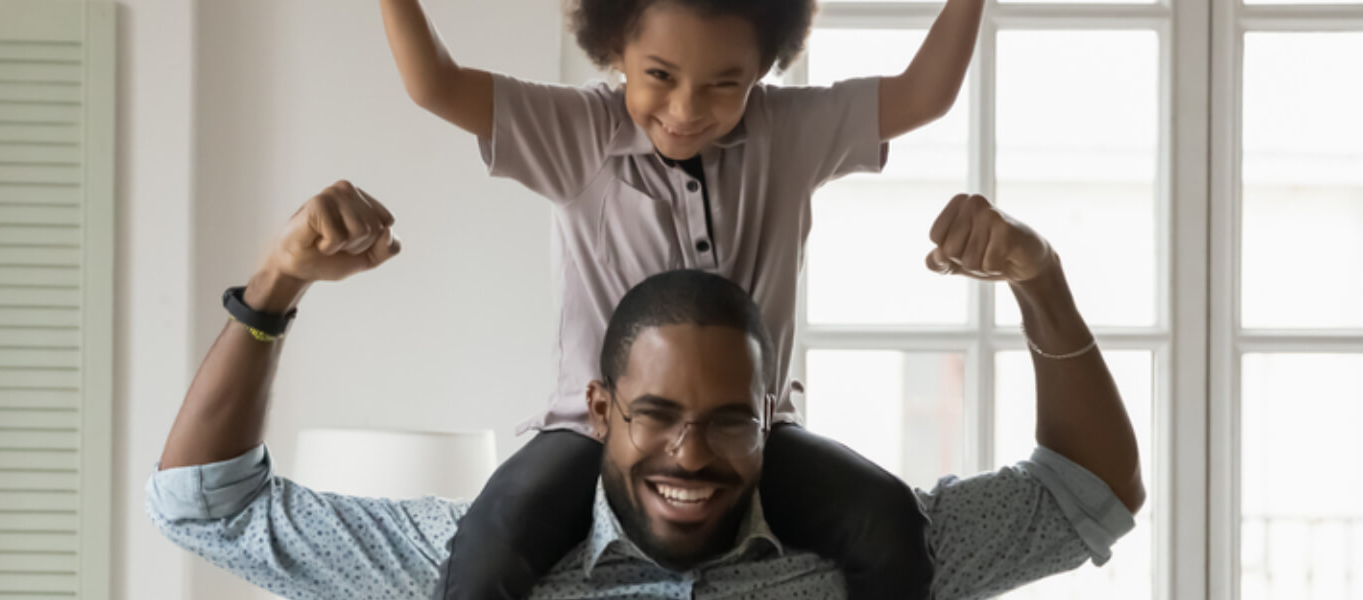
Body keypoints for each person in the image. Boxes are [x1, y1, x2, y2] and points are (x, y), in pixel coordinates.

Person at [147, 181, 1146, 599]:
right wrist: (273, 289)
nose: (690, 455)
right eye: (657, 417)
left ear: (772, 417)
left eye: (725, 422)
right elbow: (207, 508)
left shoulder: (857, 557)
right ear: (599, 413)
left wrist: (1039, 281)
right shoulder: (480, 562)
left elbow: (1088, 492)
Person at [378, 0, 990, 595]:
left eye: (727, 82)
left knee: (889, 520)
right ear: (615, 48)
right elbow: (435, 83)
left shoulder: (791, 132)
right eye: (660, 76)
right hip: (592, 437)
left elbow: (922, 94)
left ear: (765, 65)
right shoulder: (578, 134)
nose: (687, 109)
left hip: (753, 433)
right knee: (491, 540)